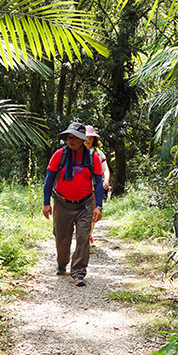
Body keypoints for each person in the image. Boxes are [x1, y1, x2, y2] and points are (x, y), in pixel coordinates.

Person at [42, 121, 103, 287]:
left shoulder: (92, 157)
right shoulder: (59, 155)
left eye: (75, 137)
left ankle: (78, 272)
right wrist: (46, 203)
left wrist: (99, 207)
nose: (71, 140)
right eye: (69, 137)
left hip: (84, 205)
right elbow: (49, 180)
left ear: (82, 139)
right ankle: (62, 263)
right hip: (62, 204)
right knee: (62, 238)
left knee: (83, 238)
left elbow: (98, 182)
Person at [85, 125, 111, 246]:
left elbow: (105, 168)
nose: (88, 141)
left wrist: (106, 179)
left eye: (91, 138)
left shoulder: (99, 153)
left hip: (95, 187)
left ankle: (89, 235)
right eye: (86, 138)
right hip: (81, 187)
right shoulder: (76, 152)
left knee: (93, 211)